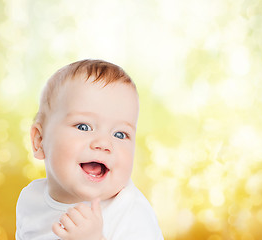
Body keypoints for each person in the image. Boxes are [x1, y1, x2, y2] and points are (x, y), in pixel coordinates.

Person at [16, 59, 164, 240]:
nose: (103, 143)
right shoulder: (30, 200)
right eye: (83, 127)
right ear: (40, 141)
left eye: (119, 134)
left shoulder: (130, 213)